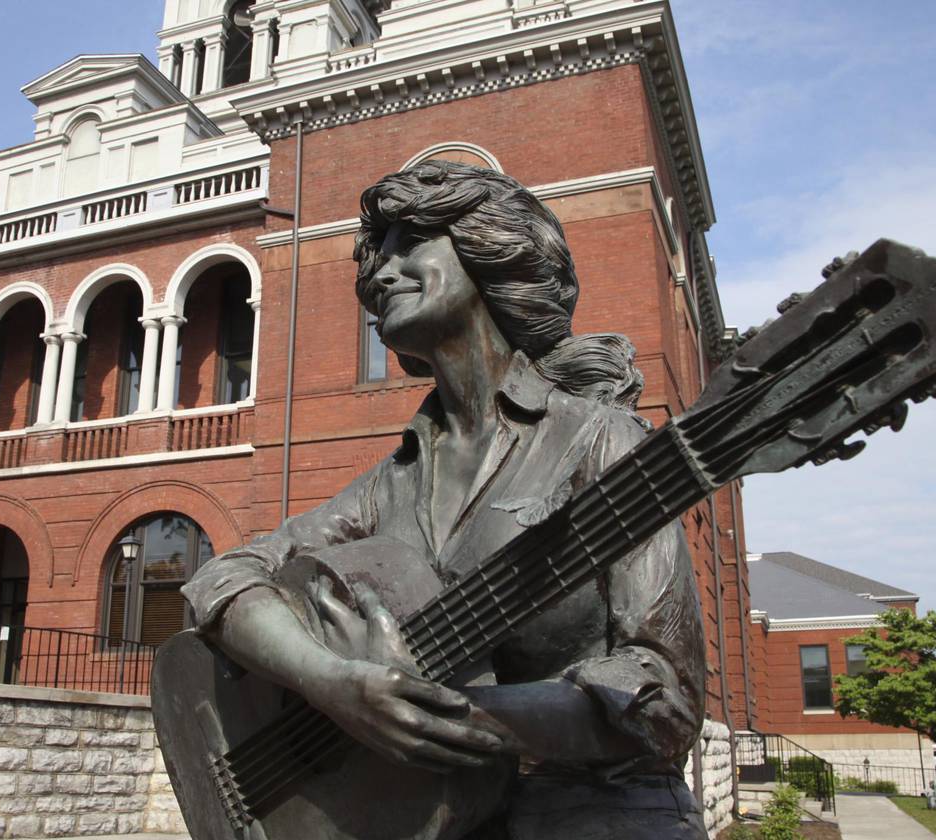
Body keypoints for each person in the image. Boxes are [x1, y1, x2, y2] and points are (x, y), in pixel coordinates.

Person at [182, 161, 708, 839]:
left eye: (409, 244)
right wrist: (334, 684)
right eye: (376, 258)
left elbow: (666, 697)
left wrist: (457, 712)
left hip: (595, 815)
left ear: (489, 248)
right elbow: (218, 580)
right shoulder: (390, 482)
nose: (379, 275)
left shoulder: (602, 443)